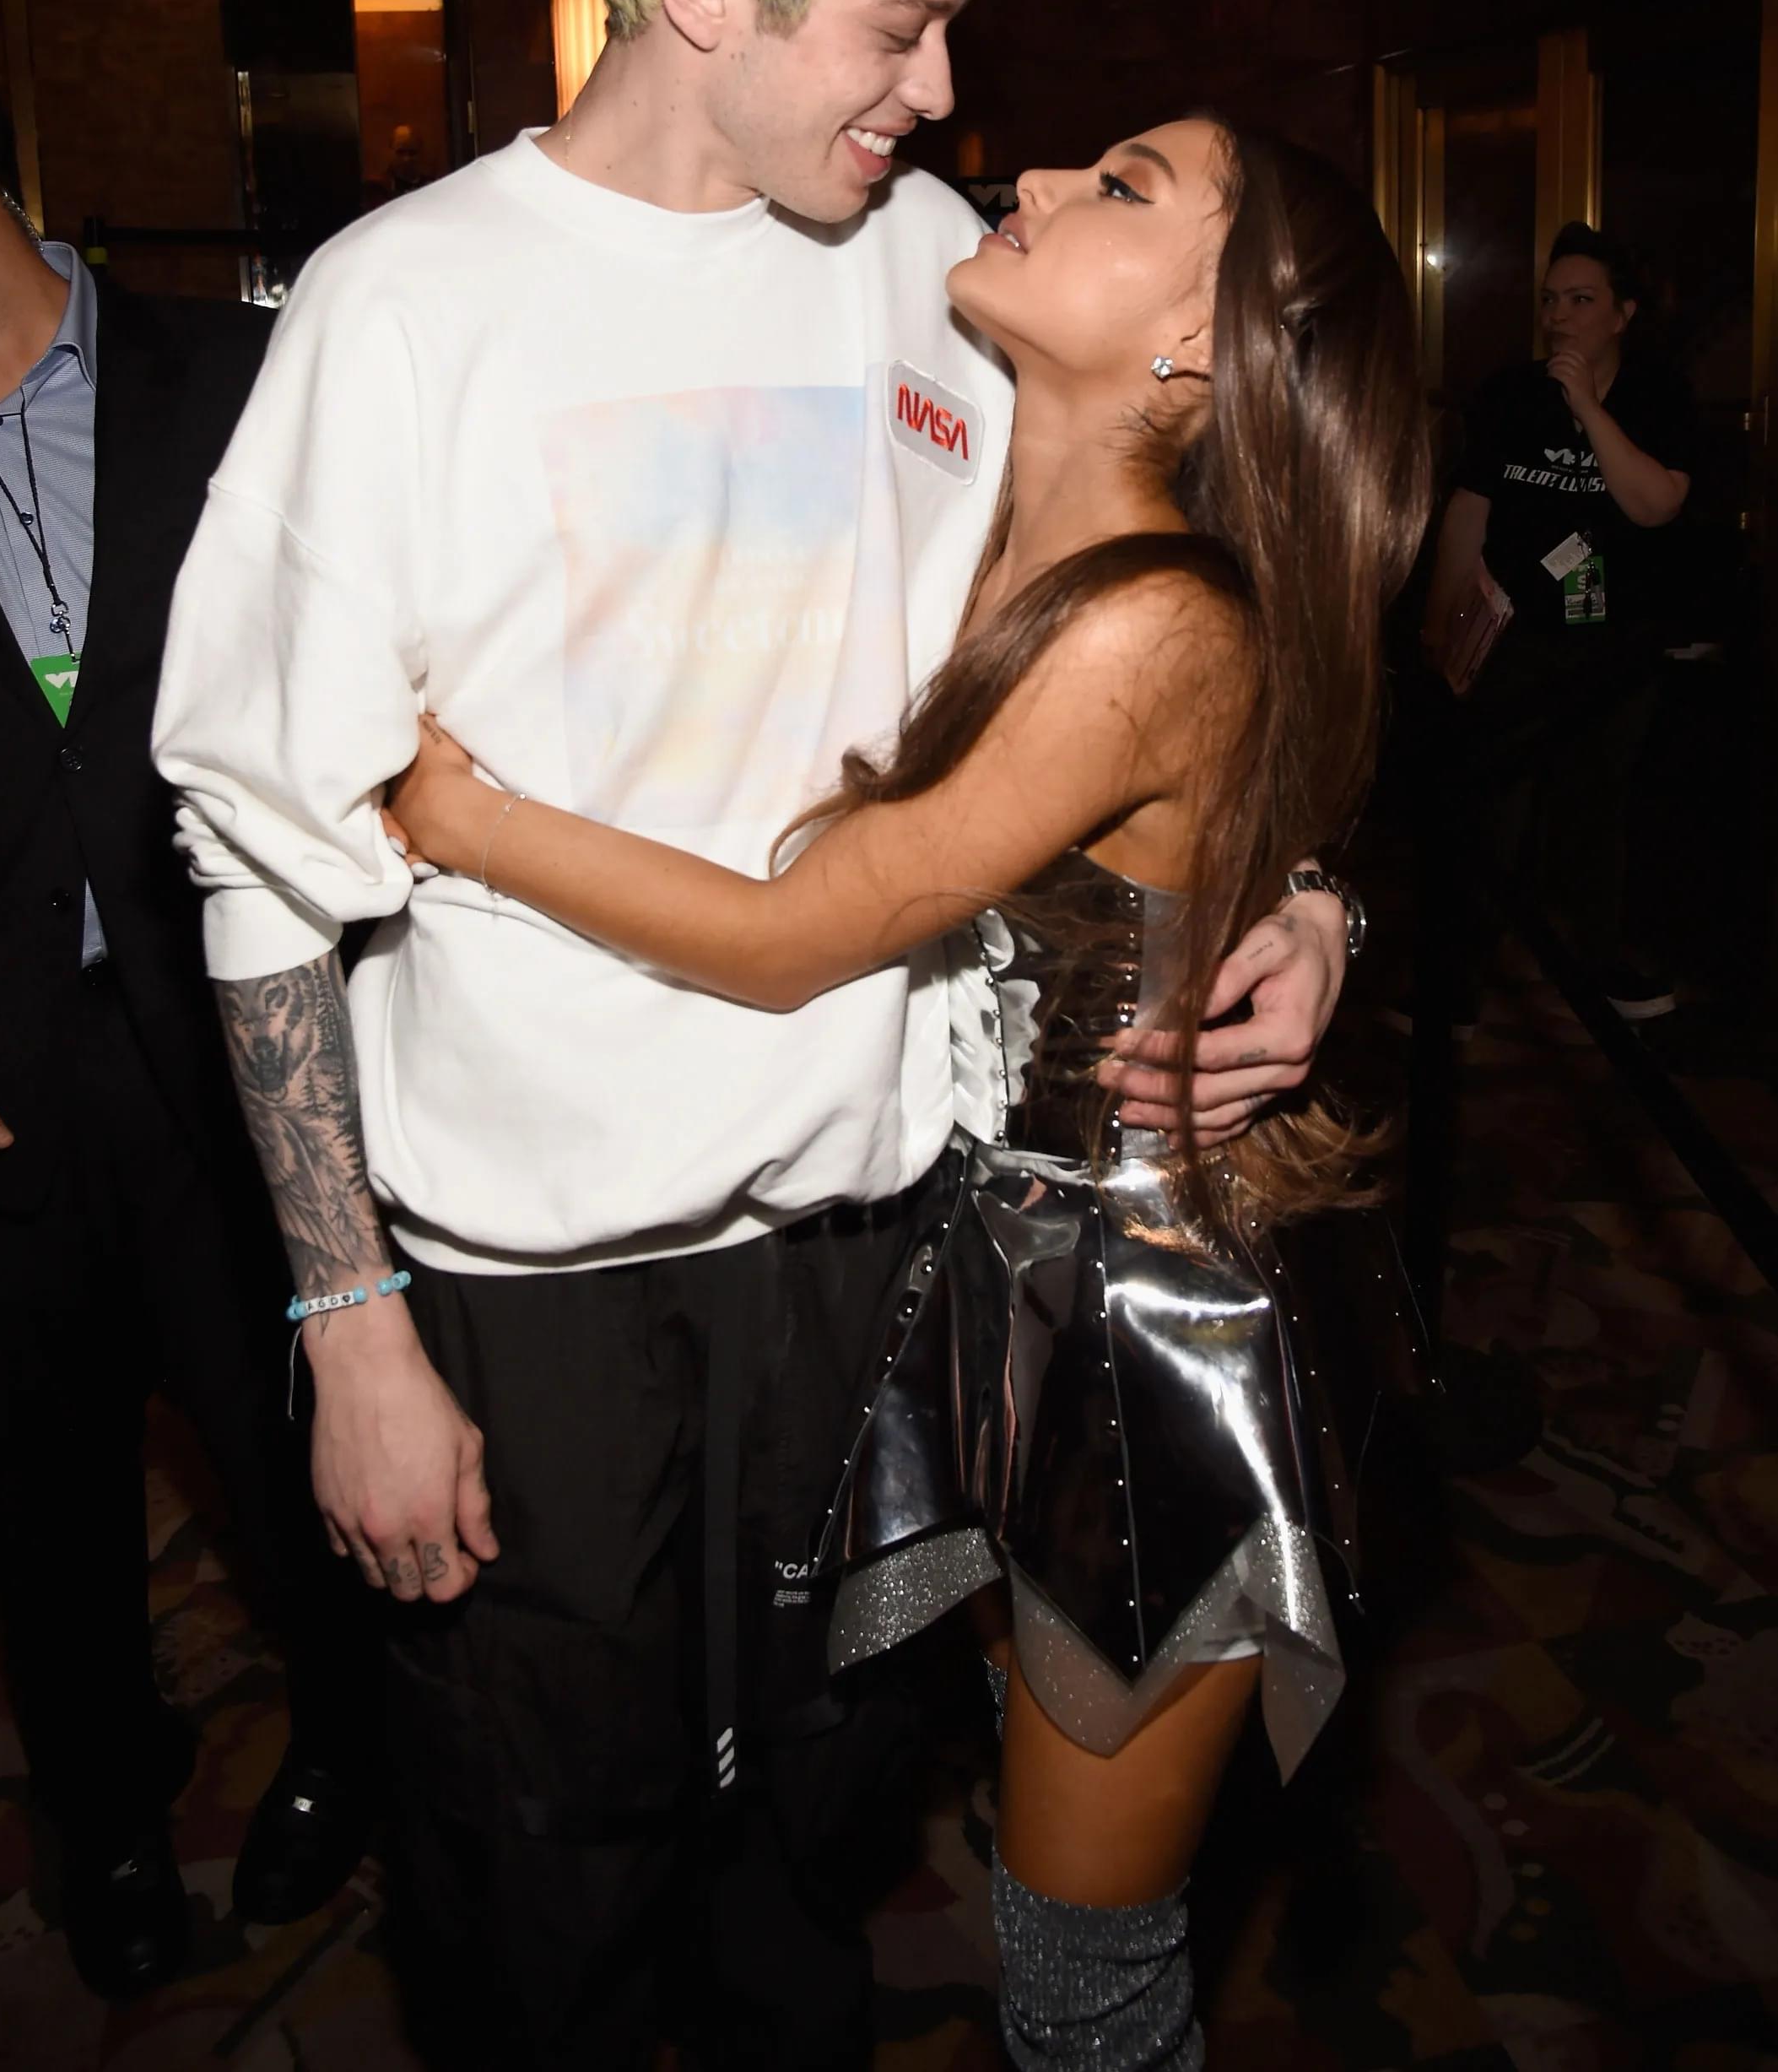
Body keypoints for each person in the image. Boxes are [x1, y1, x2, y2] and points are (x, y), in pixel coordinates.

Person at [152, 0, 1358, 2069]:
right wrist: (350, 1325)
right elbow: (264, 858)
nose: (940, 89)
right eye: (898, 26)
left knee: (811, 1866)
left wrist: (1303, 892)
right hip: (540, 1294)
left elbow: (1201, 597)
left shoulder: (934, 266)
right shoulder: (409, 304)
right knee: (549, 1892)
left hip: (880, 1273)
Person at [383, 111, 1429, 2070]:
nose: (1029, 180)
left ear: (1198, 344)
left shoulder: (1144, 617)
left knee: (1083, 1980)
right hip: (990, 1269)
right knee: (1002, 1813)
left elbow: (800, 933)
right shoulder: (974, 489)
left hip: (1145, 1336)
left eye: (1121, 189)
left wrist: (460, 816)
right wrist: (1306, 888)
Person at [0, 37, 377, 1999]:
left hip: (239, 1050)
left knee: (294, 1460)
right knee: (31, 1497)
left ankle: (351, 1742)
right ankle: (108, 1814)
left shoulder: (249, 374)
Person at [1422, 220, 1694, 1021]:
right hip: (1517, 631)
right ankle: (1459, 986)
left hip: (1615, 639)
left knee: (1598, 807)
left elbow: (1654, 505)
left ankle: (1596, 968)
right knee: (1492, 806)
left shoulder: (1657, 394)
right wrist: (1441, 625)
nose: (1558, 318)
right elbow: (1470, 510)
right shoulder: (1510, 394)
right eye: (1549, 301)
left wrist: (1585, 407)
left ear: (1622, 313)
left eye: (1580, 301)